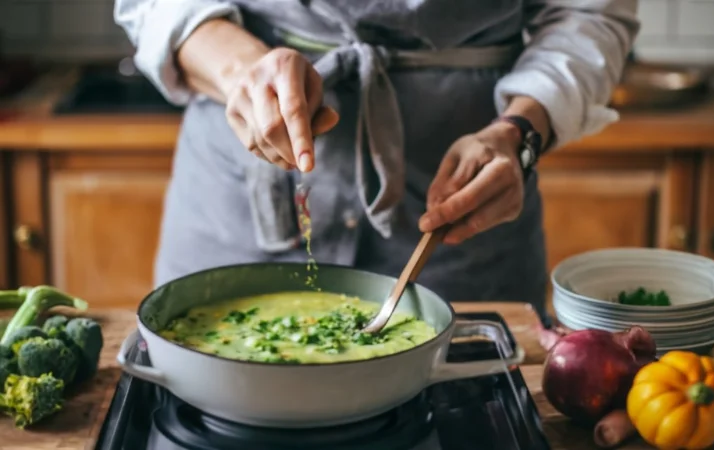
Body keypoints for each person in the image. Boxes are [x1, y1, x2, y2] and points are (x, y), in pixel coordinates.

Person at [114, 0, 638, 318]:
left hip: (461, 219)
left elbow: (590, 13)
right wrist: (244, 72)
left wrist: (519, 129)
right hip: (234, 207)